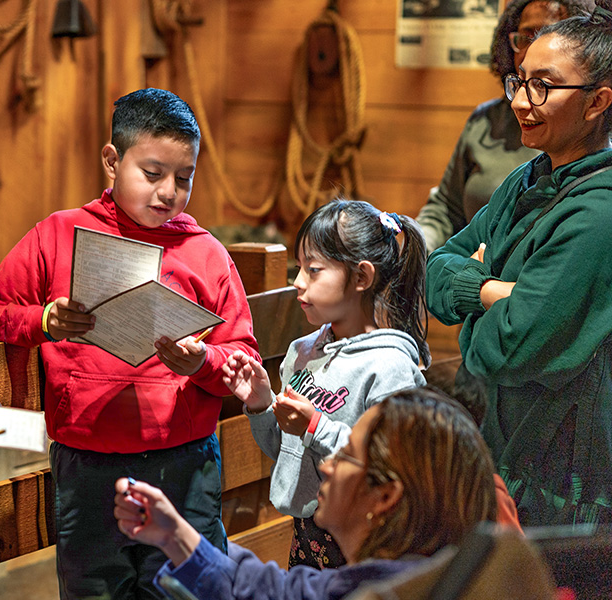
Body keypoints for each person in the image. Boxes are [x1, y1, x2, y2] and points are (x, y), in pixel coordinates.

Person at [0, 88, 259, 600]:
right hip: (88, 468)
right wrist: (44, 321)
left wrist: (202, 361)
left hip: (183, 465)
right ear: (111, 160)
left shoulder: (206, 254)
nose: (170, 192)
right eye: (153, 172)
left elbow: (242, 356)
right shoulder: (58, 235)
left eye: (184, 177)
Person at [426, 1, 612, 526]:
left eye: (543, 87)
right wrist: (493, 292)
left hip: (568, 490)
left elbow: (507, 348)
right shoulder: (527, 176)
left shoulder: (598, 212)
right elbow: (437, 267)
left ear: (598, 101)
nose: (521, 103)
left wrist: (484, 303)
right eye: (519, 82)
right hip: (510, 454)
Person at [113, 387, 498, 600]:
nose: (328, 466)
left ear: (384, 496)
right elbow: (283, 597)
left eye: (346, 456)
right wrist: (174, 534)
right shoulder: (407, 581)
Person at [222, 200, 429, 571]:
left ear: (361, 278)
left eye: (314, 270)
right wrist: (260, 404)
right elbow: (284, 453)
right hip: (305, 534)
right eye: (300, 268)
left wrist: (314, 426)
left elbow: (387, 473)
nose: (298, 282)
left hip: (361, 538)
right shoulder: (301, 352)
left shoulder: (389, 367)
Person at [416, 0, 590, 255]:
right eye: (525, 37)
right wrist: (411, 246)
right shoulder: (485, 119)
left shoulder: (588, 134)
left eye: (547, 35)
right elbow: (445, 209)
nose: (532, 49)